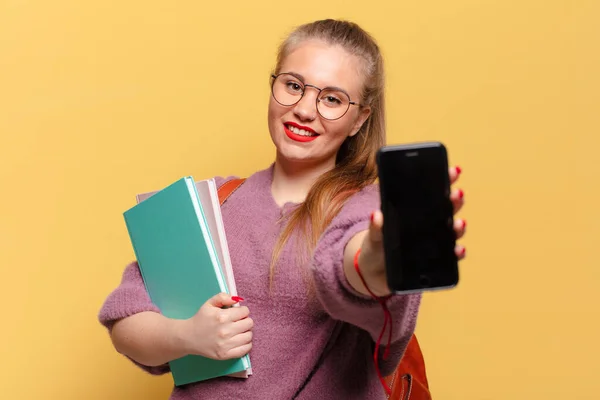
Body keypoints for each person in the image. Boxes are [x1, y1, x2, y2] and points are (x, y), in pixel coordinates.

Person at [98, 18, 467, 399]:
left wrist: (375, 261)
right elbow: (126, 319)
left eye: (332, 98)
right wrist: (187, 334)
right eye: (293, 85)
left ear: (360, 119)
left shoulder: (366, 210)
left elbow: (347, 266)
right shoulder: (215, 202)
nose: (305, 109)